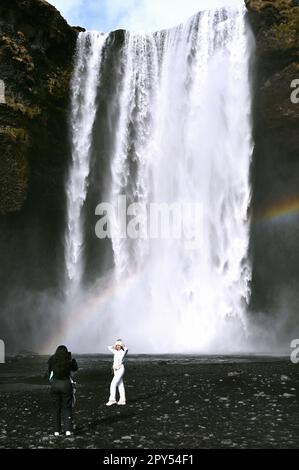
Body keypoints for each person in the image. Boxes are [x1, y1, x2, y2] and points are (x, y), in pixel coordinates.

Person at [48, 345, 78, 436]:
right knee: (67, 407)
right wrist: (73, 360)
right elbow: (75, 368)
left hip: (55, 384)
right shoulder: (68, 361)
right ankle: (68, 430)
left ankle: (56, 431)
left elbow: (49, 373)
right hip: (66, 384)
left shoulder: (52, 360)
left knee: (56, 408)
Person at [106, 339, 128, 406]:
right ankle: (122, 400)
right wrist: (114, 346)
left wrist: (122, 345)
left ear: (121, 346)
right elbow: (108, 347)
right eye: (117, 345)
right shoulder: (115, 351)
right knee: (120, 385)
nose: (118, 346)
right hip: (115, 370)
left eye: (119, 345)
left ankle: (112, 399)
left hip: (120, 369)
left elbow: (126, 348)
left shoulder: (123, 351)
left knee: (113, 384)